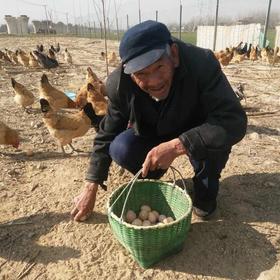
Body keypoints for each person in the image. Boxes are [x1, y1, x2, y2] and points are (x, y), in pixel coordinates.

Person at [71, 20, 247, 221]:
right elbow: (107, 135)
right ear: (129, 73)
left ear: (173, 54)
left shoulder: (202, 64)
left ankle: (204, 179)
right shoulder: (119, 85)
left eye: (159, 67)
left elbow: (233, 120)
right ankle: (155, 174)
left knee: (204, 206)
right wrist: (91, 184)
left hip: (199, 129)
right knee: (122, 147)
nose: (154, 81)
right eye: (141, 74)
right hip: (156, 129)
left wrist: (178, 146)